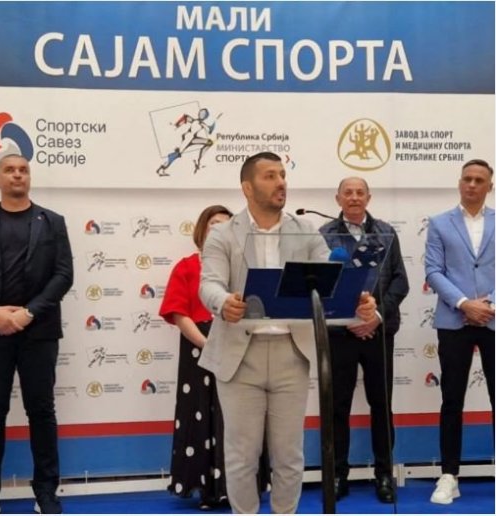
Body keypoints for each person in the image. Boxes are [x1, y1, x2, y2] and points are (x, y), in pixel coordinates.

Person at [197, 152, 378, 514]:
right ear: (247, 187)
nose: (281, 182)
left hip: (291, 354)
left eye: (282, 174)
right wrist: (223, 302)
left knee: (289, 456)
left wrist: (357, 300)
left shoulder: (306, 230)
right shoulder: (223, 233)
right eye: (270, 176)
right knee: (241, 456)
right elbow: (209, 283)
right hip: (238, 357)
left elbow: (329, 279)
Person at [0, 154, 73, 515]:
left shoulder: (53, 222)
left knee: (42, 410)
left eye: (23, 170)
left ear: (29, 178)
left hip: (38, 331)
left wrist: (28, 313)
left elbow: (63, 275)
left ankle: (46, 492)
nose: (17, 175)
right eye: (9, 170)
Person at [319, 177, 409, 503]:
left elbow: (400, 281)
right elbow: (320, 284)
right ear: (338, 198)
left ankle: (384, 474)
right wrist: (351, 318)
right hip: (340, 333)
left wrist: (376, 316)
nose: (354, 197)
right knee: (337, 406)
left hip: (378, 333)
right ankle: (337, 475)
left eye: (360, 193)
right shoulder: (324, 235)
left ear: (368, 198)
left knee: (381, 405)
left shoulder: (385, 232)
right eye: (348, 193)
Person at [425, 159, 494, 505]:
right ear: (459, 183)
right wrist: (465, 303)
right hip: (454, 320)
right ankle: (449, 475)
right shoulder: (439, 223)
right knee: (451, 400)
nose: (472, 184)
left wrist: (488, 304)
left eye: (479, 180)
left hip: (493, 319)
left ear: (489, 187)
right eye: (467, 178)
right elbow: (433, 271)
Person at [159, 205, 232, 509]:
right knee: (200, 415)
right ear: (202, 229)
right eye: (214, 223)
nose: (219, 229)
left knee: (238, 416)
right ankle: (206, 488)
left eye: (226, 224)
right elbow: (178, 313)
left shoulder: (240, 267)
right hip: (198, 347)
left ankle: (238, 487)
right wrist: (206, 344)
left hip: (237, 345)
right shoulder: (187, 267)